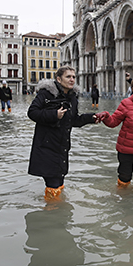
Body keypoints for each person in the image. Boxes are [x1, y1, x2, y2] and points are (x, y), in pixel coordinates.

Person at [27, 66, 100, 201]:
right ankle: (53, 215)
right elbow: (32, 112)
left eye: (73, 77)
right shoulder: (46, 94)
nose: (72, 79)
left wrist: (92, 118)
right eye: (68, 77)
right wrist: (54, 114)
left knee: (59, 183)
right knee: (54, 184)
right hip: (46, 146)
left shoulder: (72, 97)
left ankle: (57, 214)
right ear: (59, 79)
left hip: (62, 147)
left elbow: (74, 120)